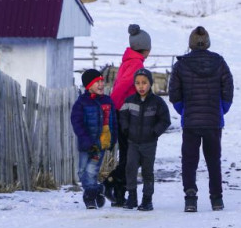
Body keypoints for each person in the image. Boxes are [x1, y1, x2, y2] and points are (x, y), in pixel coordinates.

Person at [168, 26, 234, 212]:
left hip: (190, 121)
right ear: (207, 43)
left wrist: (183, 110)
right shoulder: (219, 62)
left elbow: (174, 93)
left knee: (189, 161)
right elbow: (228, 88)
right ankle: (217, 199)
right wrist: (221, 109)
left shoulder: (181, 65)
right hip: (213, 121)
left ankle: (190, 198)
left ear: (190, 44)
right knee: (213, 160)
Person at [103, 24, 151, 207]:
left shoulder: (129, 61)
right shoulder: (136, 64)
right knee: (131, 156)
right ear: (145, 48)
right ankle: (110, 182)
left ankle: (118, 194)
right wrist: (114, 107)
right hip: (127, 114)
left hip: (124, 112)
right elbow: (122, 86)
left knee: (128, 155)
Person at [119, 68, 171, 211]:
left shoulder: (157, 102)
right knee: (130, 168)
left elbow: (165, 120)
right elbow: (123, 116)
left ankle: (147, 199)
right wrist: (126, 129)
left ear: (150, 83)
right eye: (137, 83)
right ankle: (132, 196)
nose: (141, 86)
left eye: (144, 83)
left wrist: (154, 132)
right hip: (133, 142)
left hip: (149, 143)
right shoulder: (129, 101)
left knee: (147, 171)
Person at [70, 69, 118, 209]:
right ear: (88, 86)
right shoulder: (81, 102)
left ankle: (89, 198)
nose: (101, 84)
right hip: (86, 144)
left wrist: (113, 139)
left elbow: (113, 121)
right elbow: (76, 122)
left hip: (100, 144)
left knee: (91, 171)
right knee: (81, 172)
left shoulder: (107, 101)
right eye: (97, 82)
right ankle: (99, 189)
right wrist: (84, 139)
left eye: (102, 81)